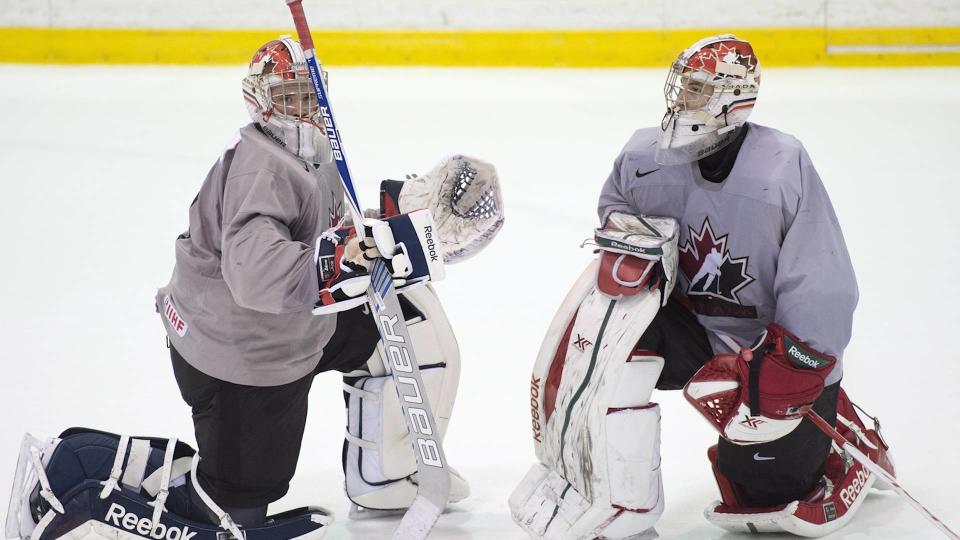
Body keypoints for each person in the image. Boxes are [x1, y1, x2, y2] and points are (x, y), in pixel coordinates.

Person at [510, 34, 893, 539]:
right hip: (690, 329)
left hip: (766, 350)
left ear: (733, 97)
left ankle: (842, 434)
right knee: (614, 345)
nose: (680, 99)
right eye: (681, 86)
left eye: (695, 88)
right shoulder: (643, 157)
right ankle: (626, 507)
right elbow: (616, 210)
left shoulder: (782, 166)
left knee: (763, 499)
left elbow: (821, 280)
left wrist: (799, 361)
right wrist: (634, 240)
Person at [155, 36, 478, 531]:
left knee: (411, 329)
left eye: (312, 96)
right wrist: (332, 264)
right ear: (260, 101)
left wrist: (408, 219)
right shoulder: (262, 168)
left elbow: (332, 234)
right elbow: (255, 274)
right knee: (241, 506)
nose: (304, 109)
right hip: (240, 352)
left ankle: (384, 477)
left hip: (292, 325)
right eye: (290, 96)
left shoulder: (312, 156)